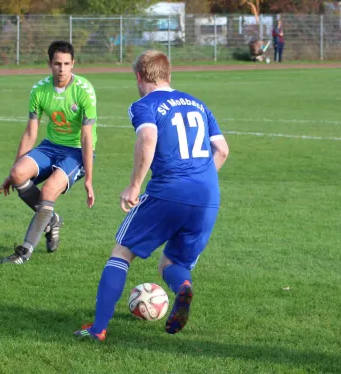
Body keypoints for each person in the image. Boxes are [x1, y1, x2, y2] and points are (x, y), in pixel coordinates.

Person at [73, 50, 229, 341]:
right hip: (208, 195)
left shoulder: (144, 105)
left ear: (139, 76)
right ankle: (182, 286)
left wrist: (134, 185)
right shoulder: (198, 104)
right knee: (171, 263)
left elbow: (147, 137)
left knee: (121, 252)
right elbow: (222, 150)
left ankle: (97, 330)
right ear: (169, 75)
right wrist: (199, 181)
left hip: (169, 190)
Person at [0, 40, 97, 265]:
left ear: (73, 64)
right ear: (49, 64)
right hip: (50, 146)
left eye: (66, 64)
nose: (61, 69)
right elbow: (30, 133)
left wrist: (89, 179)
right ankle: (52, 219)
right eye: (57, 63)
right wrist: (12, 170)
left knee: (49, 190)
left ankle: (24, 252)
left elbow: (86, 136)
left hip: (76, 151)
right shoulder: (39, 90)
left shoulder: (84, 91)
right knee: (18, 175)